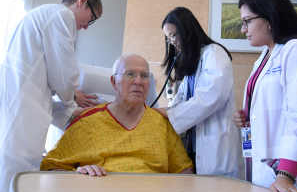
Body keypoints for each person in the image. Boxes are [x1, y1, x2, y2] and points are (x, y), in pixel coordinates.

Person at [0, 0, 102, 192]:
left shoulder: (41, 15)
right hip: (21, 122)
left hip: (18, 113)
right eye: (92, 18)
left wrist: (69, 112)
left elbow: (39, 89)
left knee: (13, 183)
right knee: (15, 184)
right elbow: (63, 76)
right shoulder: (61, 15)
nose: (86, 26)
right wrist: (72, 96)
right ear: (82, 1)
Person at [233, 0, 297, 192]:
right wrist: (248, 117)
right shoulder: (266, 55)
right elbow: (273, 109)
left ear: (270, 17)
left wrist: (286, 175)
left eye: (248, 21)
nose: (243, 30)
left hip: (290, 176)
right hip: (267, 172)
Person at [40, 54, 194, 176]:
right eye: (130, 74)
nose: (138, 81)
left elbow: (184, 170)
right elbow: (51, 165)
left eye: (145, 76)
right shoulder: (86, 123)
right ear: (114, 82)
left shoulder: (162, 124)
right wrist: (77, 174)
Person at [153, 7, 240, 177]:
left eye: (173, 35)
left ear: (187, 30)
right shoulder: (194, 61)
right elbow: (181, 101)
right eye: (168, 37)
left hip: (214, 146)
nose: (171, 42)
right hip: (193, 146)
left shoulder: (214, 53)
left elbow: (214, 95)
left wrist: (171, 114)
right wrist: (165, 112)